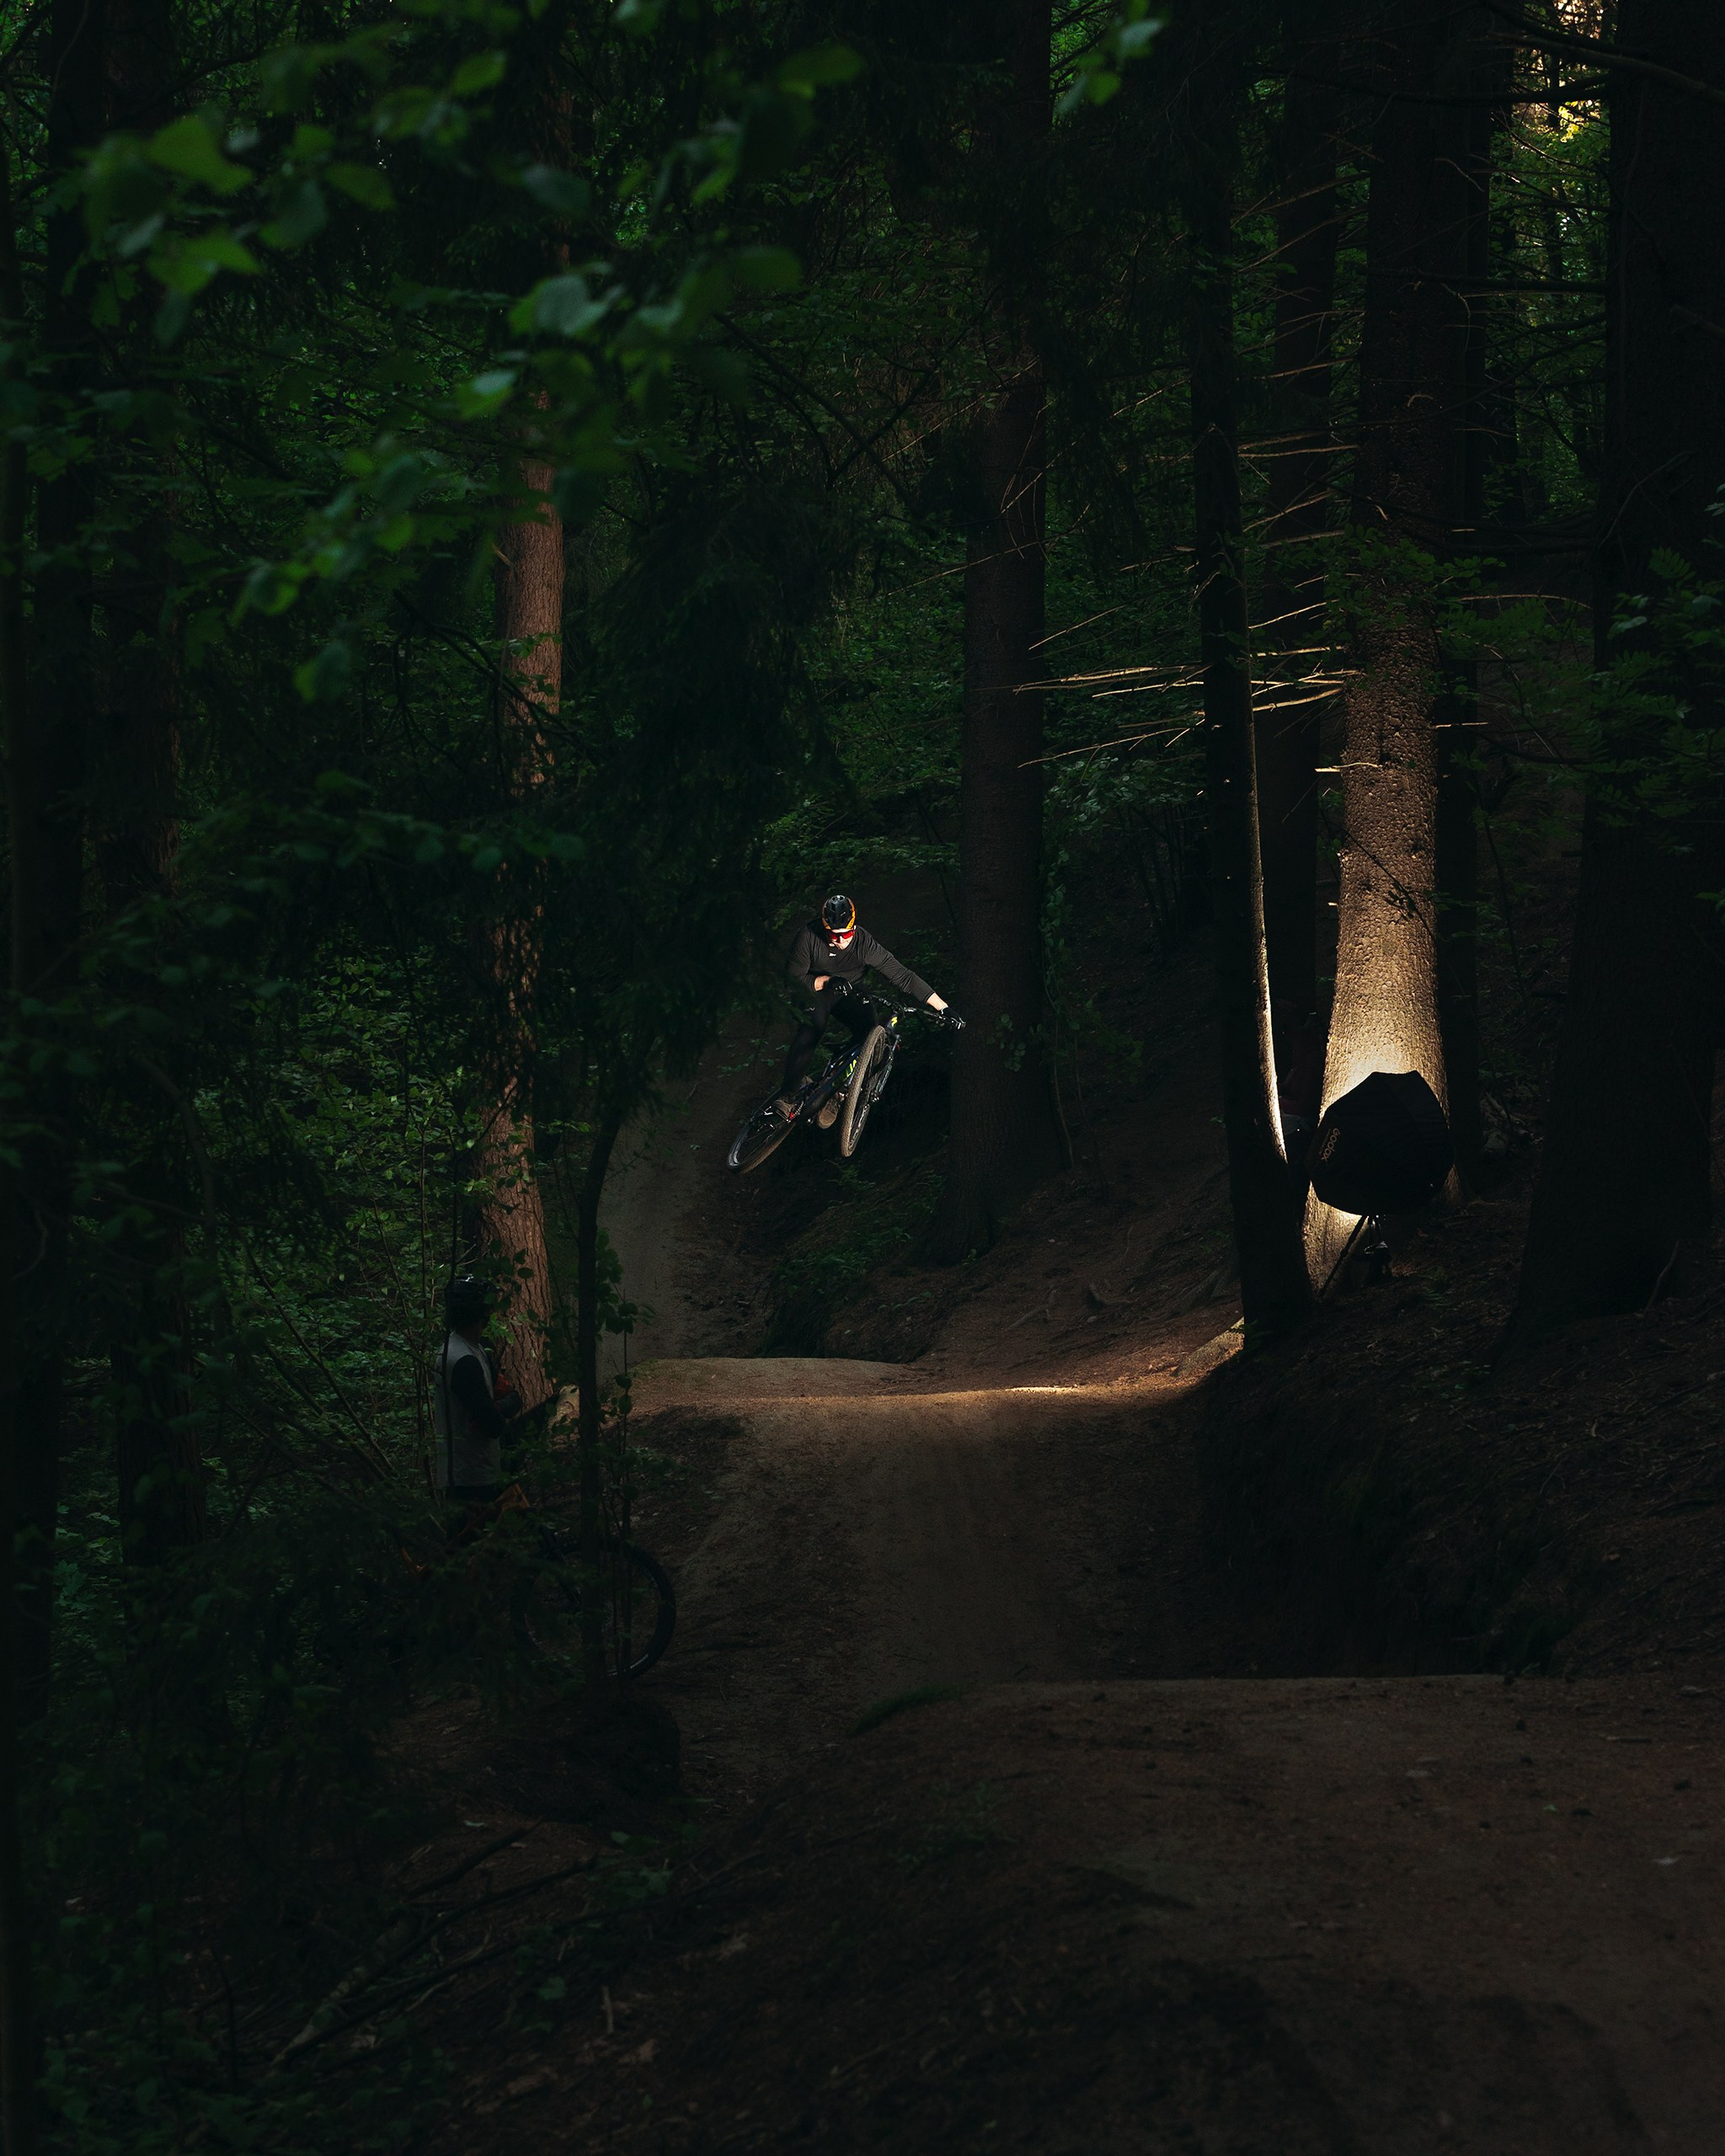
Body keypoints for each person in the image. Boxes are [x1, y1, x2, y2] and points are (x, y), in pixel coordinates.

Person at [774, 892, 953, 1120]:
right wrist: (826, 981)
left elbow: (904, 977)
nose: (839, 941)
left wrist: (943, 1007)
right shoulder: (808, 936)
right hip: (814, 989)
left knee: (871, 1035)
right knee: (812, 1029)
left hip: (849, 991)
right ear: (824, 926)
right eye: (833, 934)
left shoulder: (864, 944)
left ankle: (838, 1095)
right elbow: (792, 980)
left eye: (846, 934)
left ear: (854, 927)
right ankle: (787, 1095)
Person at [432, 1275, 525, 1502]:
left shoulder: (473, 1350)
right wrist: (498, 1409)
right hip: (470, 1479)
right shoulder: (462, 1359)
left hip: (475, 1472)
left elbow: (511, 1397)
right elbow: (492, 1424)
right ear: (483, 1312)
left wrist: (498, 1406)